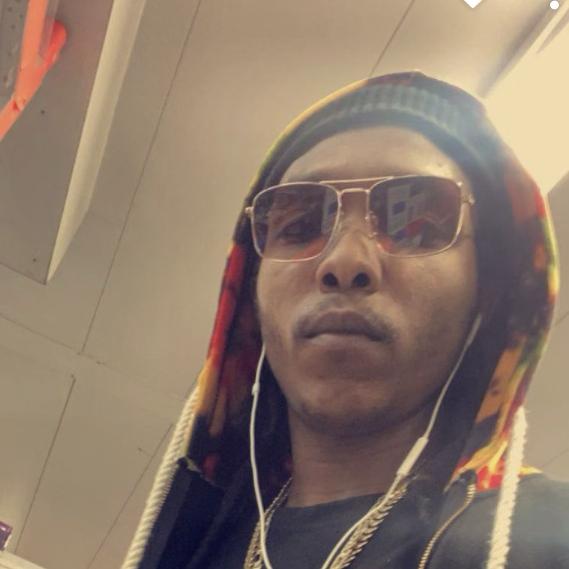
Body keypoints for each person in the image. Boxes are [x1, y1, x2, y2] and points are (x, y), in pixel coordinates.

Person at [122, 71, 569, 569]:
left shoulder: (550, 538)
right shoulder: (189, 546)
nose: (345, 261)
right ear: (250, 289)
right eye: (299, 224)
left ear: (488, 288)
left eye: (415, 224)